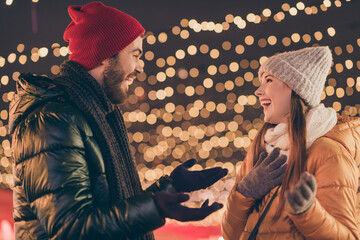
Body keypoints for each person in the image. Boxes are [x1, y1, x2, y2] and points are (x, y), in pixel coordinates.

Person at [9, 2, 229, 239]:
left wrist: (170, 188)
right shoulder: (54, 121)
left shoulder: (92, 114)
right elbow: (70, 229)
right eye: (135, 55)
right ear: (104, 55)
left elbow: (106, 210)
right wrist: (154, 207)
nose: (140, 68)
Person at [222, 46, 360, 239]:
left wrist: (307, 212)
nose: (258, 91)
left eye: (268, 80)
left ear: (296, 88)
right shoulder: (261, 147)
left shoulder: (328, 151)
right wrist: (245, 192)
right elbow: (230, 235)